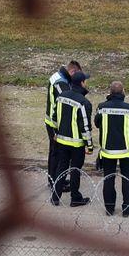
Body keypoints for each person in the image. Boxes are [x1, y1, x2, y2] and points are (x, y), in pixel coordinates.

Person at [93, 80, 129, 216]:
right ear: (123, 91)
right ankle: (127, 208)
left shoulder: (102, 108)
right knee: (127, 179)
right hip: (126, 151)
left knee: (108, 179)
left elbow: (96, 123)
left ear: (110, 92)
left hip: (108, 151)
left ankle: (109, 208)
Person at [45, 75, 92, 206]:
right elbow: (85, 127)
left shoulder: (61, 97)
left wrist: (55, 133)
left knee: (61, 168)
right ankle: (75, 197)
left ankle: (55, 196)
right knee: (75, 170)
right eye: (85, 81)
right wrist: (90, 146)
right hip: (77, 144)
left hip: (61, 141)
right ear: (82, 83)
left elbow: (54, 117)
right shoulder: (83, 102)